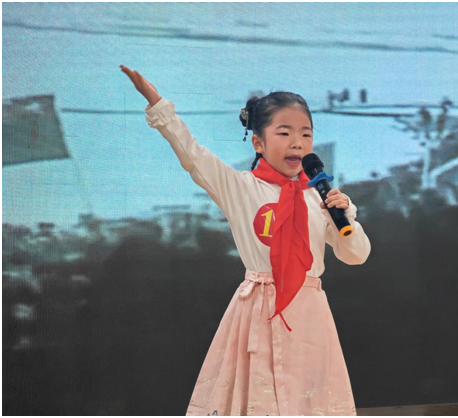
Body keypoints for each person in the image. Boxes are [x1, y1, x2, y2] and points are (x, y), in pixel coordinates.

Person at [120, 65, 371, 416]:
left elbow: (355, 255)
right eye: (284, 133)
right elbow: (193, 156)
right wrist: (159, 106)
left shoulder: (321, 197)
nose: (297, 142)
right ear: (258, 142)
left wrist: (345, 218)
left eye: (306, 134)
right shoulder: (240, 187)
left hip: (310, 316)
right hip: (259, 311)